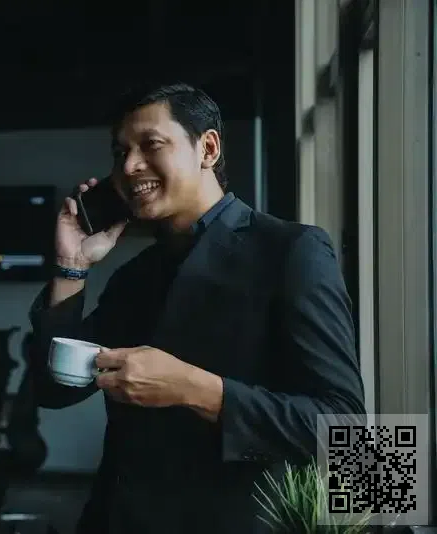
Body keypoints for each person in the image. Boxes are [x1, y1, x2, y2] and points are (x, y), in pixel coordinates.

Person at [28, 83, 365, 534]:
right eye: (120, 152)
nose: (128, 166)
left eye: (151, 144)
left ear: (208, 148)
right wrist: (71, 267)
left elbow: (346, 426)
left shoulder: (291, 251)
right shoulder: (133, 276)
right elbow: (54, 392)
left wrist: (195, 388)